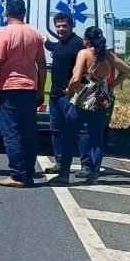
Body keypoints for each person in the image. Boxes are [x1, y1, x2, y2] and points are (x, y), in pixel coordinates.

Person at [0, 0, 46, 188]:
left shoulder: (5, 34)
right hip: (29, 89)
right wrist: (40, 89)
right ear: (24, 12)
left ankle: (17, 174)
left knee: (11, 131)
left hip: (10, 88)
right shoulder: (35, 34)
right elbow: (41, 64)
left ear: (6, 12)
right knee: (29, 132)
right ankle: (29, 172)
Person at [52, 27, 130, 185]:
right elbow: (127, 70)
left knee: (68, 135)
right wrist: (112, 85)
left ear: (87, 40)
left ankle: (64, 174)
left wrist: (70, 93)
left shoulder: (85, 53)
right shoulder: (108, 55)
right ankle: (93, 174)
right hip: (100, 101)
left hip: (83, 100)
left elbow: (75, 78)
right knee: (96, 139)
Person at [44, 12, 92, 176]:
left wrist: (76, 89)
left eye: (64, 25)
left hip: (71, 96)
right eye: (58, 26)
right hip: (55, 95)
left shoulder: (79, 44)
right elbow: (54, 48)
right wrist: (45, 43)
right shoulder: (60, 43)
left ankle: (87, 166)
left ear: (71, 26)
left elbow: (87, 69)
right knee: (56, 130)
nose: (61, 29)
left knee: (81, 131)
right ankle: (60, 162)